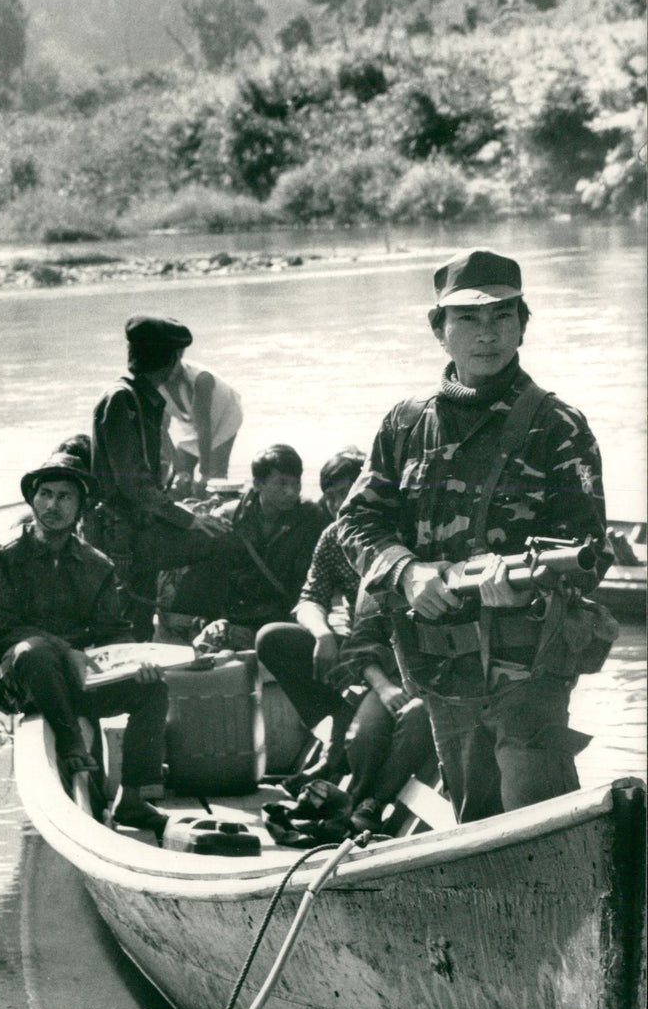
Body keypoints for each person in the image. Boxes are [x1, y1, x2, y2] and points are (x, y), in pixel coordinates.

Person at [337, 248, 614, 824]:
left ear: (522, 325)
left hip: (528, 667)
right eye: (468, 319)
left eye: (503, 317)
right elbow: (356, 522)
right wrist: (408, 572)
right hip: (441, 668)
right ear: (439, 330)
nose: (487, 334)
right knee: (475, 822)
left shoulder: (557, 426)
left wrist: (525, 587)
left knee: (539, 821)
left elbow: (589, 549)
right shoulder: (405, 423)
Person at [0, 450, 169, 837]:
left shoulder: (97, 565)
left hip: (77, 682)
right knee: (36, 652)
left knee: (153, 688)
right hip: (20, 681)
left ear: (80, 507)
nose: (52, 505)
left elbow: (114, 633)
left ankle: (132, 797)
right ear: (33, 500)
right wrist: (66, 651)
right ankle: (72, 747)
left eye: (65, 496)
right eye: (45, 494)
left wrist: (136, 662)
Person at [256, 450, 435, 817]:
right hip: (363, 651)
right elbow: (310, 598)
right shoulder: (333, 538)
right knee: (274, 639)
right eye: (331, 496)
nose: (339, 504)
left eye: (347, 492)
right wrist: (322, 634)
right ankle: (340, 718)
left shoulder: (404, 531)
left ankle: (360, 789)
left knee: (401, 720)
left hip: (411, 650)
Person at [88, 315, 231, 640]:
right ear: (170, 361)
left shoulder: (139, 398)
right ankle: (192, 620)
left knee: (138, 618)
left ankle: (176, 623)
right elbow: (134, 484)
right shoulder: (124, 400)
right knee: (221, 541)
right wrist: (186, 518)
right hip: (120, 535)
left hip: (138, 525)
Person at [167, 444, 327, 643]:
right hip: (234, 617)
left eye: (296, 484)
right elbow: (209, 576)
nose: (291, 492)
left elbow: (311, 581)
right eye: (282, 484)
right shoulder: (229, 518)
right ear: (258, 484)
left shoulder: (311, 520)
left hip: (284, 616)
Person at [158, 352, 243, 497]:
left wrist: (205, 473)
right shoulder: (153, 382)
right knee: (179, 475)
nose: (169, 368)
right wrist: (174, 465)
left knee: (214, 480)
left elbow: (204, 427)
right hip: (192, 422)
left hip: (225, 415)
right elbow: (161, 428)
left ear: (179, 357)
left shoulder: (201, 379)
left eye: (173, 361)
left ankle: (215, 507)